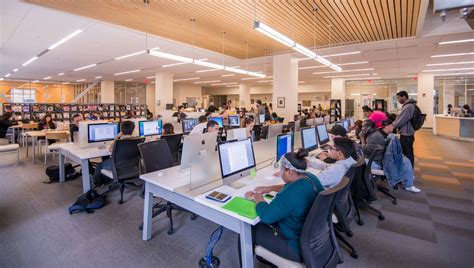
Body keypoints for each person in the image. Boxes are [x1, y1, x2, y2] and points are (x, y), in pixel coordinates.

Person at [242, 149, 324, 263]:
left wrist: (257, 196)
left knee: (246, 230)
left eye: (282, 170)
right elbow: (289, 185)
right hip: (313, 239)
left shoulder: (293, 194)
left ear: (290, 172)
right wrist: (270, 188)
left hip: (294, 245)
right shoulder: (310, 177)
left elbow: (266, 216)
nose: (280, 173)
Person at [379, 119, 421, 193]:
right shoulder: (381, 135)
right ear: (387, 127)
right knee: (406, 161)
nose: (393, 128)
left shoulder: (383, 133)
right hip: (385, 157)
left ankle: (408, 177)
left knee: (405, 159)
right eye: (392, 126)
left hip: (388, 155)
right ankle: (408, 185)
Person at [93, 120, 136, 186]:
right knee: (106, 161)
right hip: (132, 166)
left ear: (121, 130)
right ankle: (107, 179)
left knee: (99, 166)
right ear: (133, 130)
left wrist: (116, 137)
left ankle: (98, 184)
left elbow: (110, 149)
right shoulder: (138, 140)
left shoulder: (119, 142)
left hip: (118, 166)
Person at [390, 90, 417, 168]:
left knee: (408, 152)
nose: (398, 100)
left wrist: (392, 126)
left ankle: (409, 170)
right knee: (406, 152)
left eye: (399, 98)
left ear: (404, 97)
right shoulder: (409, 105)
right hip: (407, 132)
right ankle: (407, 169)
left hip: (407, 134)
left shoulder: (408, 106)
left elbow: (401, 119)